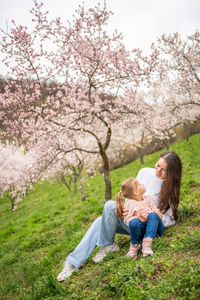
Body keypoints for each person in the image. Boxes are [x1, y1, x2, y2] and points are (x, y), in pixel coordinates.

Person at [57, 151, 182, 282]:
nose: (158, 171)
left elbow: (170, 220)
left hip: (149, 228)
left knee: (105, 213)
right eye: (158, 166)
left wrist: (150, 215)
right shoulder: (145, 172)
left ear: (172, 172)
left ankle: (107, 246)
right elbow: (131, 197)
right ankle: (72, 263)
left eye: (164, 171)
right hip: (133, 222)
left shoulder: (170, 188)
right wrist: (130, 212)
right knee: (104, 216)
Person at [115, 177, 163, 258]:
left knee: (153, 215)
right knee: (133, 222)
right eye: (140, 184)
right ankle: (134, 246)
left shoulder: (148, 198)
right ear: (136, 192)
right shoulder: (129, 204)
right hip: (142, 231)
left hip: (156, 229)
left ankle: (147, 244)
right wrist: (137, 218)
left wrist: (149, 215)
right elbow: (127, 220)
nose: (143, 184)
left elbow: (156, 213)